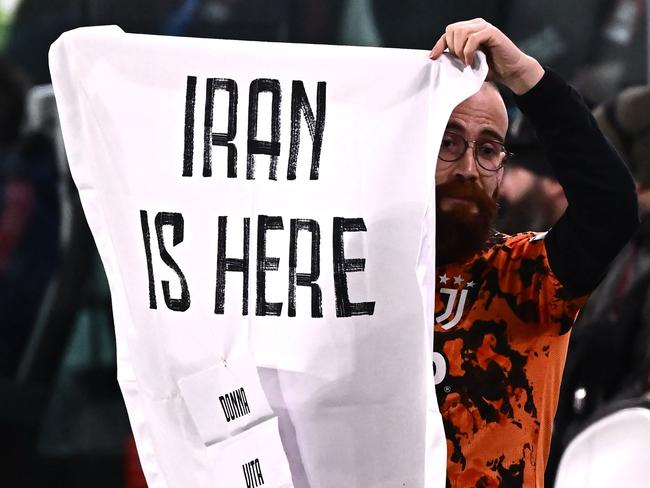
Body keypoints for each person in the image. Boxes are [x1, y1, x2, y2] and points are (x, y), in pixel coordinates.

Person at [429, 19, 638, 487]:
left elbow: (610, 208)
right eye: (447, 142)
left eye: (488, 150)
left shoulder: (526, 276)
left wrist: (526, 76)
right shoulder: (352, 273)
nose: (468, 167)